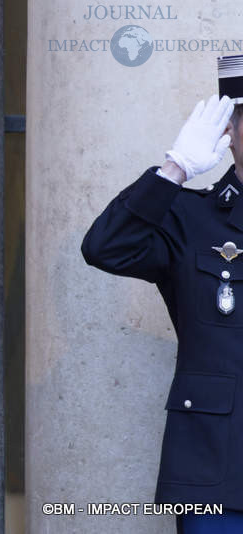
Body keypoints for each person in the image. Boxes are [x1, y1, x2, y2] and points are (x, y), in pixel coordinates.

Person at [82, 55, 243, 533]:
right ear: (230, 130)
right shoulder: (191, 219)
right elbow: (104, 248)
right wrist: (174, 170)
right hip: (219, 477)